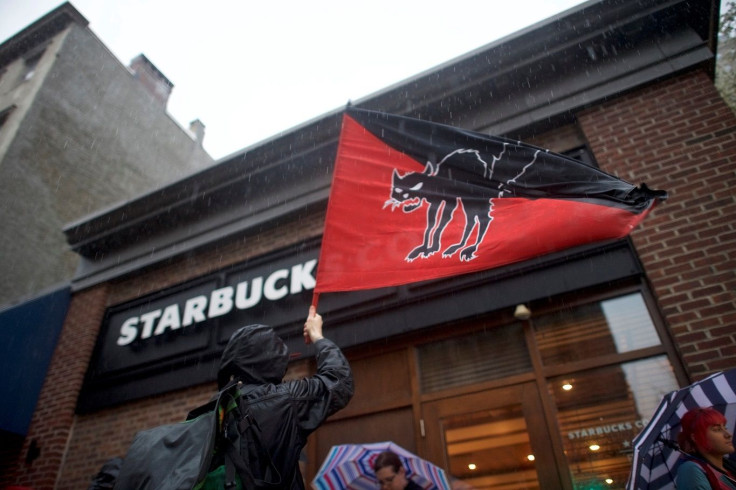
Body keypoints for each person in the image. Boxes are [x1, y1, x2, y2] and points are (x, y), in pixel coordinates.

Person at [216, 305, 354, 489]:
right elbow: (339, 381)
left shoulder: (217, 407)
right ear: (272, 361)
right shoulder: (284, 400)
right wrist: (317, 336)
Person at [676, 407, 736, 489]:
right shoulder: (691, 470)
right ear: (695, 437)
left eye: (725, 428)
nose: (728, 435)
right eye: (717, 429)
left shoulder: (729, 466)